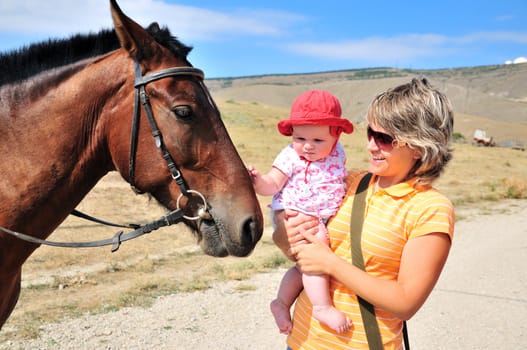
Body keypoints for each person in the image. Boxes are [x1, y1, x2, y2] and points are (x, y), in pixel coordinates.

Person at [278, 78, 455, 349]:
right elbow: (297, 252)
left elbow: (405, 303)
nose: (372, 145)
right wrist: (284, 232)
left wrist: (332, 264)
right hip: (300, 340)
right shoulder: (346, 182)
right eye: (371, 133)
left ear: (420, 147)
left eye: (384, 139)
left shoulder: (430, 210)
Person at [247, 90, 354, 334]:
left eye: (318, 141)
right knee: (316, 255)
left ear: (336, 136)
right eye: (299, 138)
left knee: (302, 267)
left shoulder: (338, 154)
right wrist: (257, 181)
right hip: (296, 214)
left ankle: (281, 302)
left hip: (317, 215)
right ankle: (322, 306)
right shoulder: (290, 156)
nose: (307, 146)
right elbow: (273, 184)